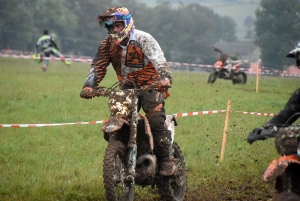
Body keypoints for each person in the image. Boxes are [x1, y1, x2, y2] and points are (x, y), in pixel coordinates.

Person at [79, 6, 175, 176]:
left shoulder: (143, 38)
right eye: (110, 27)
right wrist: (89, 86)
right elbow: (98, 66)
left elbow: (159, 61)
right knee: (118, 120)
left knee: (154, 119)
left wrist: (165, 79)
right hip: (127, 85)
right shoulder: (107, 45)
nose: (114, 30)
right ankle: (126, 157)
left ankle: (167, 159)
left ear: (127, 24)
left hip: (152, 84)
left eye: (117, 26)